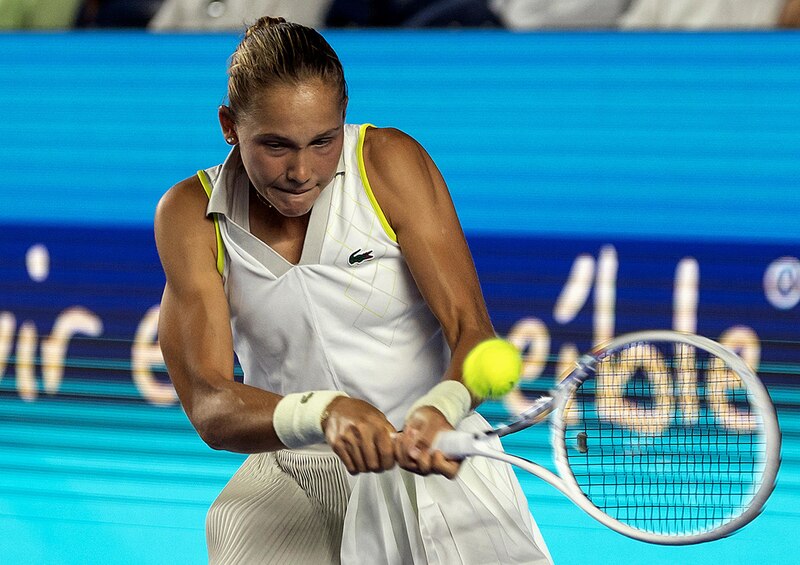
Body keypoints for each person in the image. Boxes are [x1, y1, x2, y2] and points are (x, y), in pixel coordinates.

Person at [154, 16, 551, 564]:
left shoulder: (389, 162)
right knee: (235, 528)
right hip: (293, 467)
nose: (301, 171)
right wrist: (324, 412)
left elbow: (476, 336)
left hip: (432, 454)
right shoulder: (189, 216)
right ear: (229, 125)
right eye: (275, 146)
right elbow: (210, 405)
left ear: (343, 118)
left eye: (323, 142)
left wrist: (443, 405)